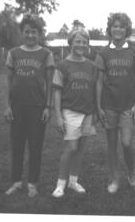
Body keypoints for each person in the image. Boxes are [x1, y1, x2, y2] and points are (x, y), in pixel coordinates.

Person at [4, 14, 55, 197]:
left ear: (39, 33)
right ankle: (16, 182)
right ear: (22, 32)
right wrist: (7, 106)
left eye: (34, 32)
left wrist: (48, 107)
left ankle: (32, 183)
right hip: (17, 106)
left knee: (35, 146)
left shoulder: (46, 54)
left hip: (37, 107)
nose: (31, 35)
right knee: (17, 145)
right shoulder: (13, 53)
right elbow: (9, 81)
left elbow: (50, 83)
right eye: (27, 32)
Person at [96, 13, 135, 194]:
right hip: (109, 105)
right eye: (114, 26)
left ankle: (131, 174)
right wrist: (99, 107)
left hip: (128, 106)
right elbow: (99, 82)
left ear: (127, 30)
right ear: (110, 29)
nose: (117, 29)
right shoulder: (103, 53)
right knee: (111, 143)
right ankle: (114, 179)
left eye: (121, 26)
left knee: (126, 143)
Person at [51, 27, 96, 198]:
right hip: (70, 111)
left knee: (81, 149)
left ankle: (73, 181)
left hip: (87, 112)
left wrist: (94, 113)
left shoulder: (91, 66)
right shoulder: (62, 65)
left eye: (84, 42)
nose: (81, 45)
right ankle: (60, 184)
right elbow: (57, 91)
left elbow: (93, 90)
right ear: (70, 42)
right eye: (78, 41)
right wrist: (58, 116)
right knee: (71, 147)